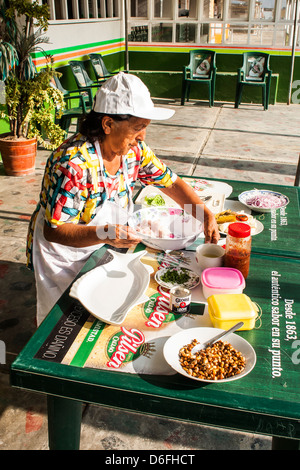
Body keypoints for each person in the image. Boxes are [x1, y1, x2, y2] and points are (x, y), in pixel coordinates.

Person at [26, 72, 219, 326]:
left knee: (98, 307)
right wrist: (105, 233)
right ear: (107, 124)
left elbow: (169, 181)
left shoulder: (134, 152)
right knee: (63, 321)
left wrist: (203, 213)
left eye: (145, 128)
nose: (143, 137)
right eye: (138, 128)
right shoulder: (73, 164)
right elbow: (55, 231)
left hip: (101, 242)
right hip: (63, 255)